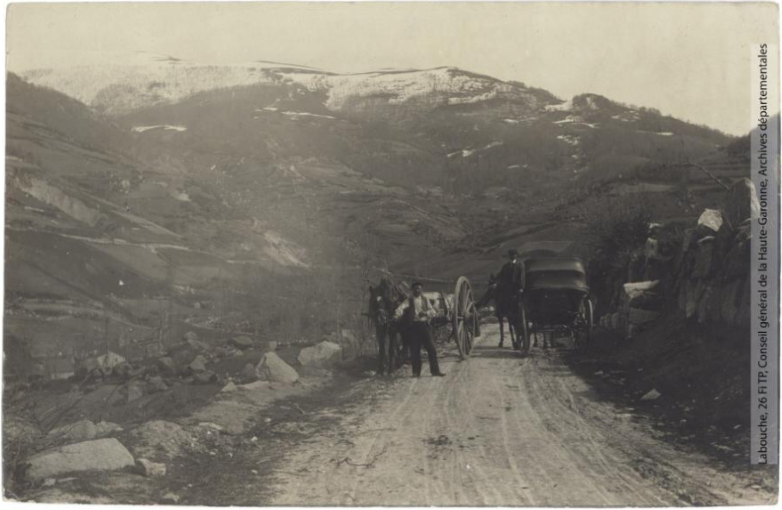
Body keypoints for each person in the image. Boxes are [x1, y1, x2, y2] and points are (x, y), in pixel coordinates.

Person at [394, 282, 446, 377]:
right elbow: (401, 308)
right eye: (415, 288)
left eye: (419, 288)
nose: (417, 290)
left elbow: (433, 311)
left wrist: (426, 313)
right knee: (415, 350)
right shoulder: (409, 300)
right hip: (414, 328)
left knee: (432, 349)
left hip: (425, 326)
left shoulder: (425, 299)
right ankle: (416, 373)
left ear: (421, 290)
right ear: (412, 290)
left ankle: (435, 371)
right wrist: (396, 315)